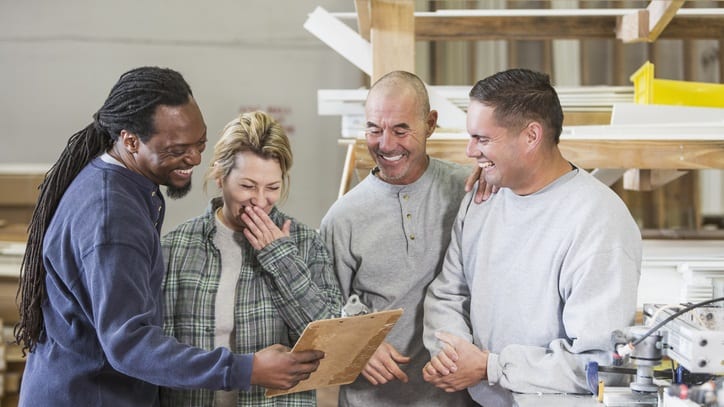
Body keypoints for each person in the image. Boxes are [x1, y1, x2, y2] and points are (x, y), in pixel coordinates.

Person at [14, 67, 325, 406]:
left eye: (200, 143)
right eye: (178, 148)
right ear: (131, 140)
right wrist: (247, 369)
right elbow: (130, 344)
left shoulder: (125, 188)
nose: (194, 158)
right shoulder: (113, 217)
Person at [422, 68, 642, 406]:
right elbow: (448, 294)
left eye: (482, 139)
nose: (470, 152)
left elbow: (598, 364)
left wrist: (492, 367)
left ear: (531, 136)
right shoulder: (482, 201)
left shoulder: (598, 221)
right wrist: (455, 357)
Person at [160, 110, 343, 406]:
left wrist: (281, 258)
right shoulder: (175, 249)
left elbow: (332, 341)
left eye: (272, 188)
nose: (260, 200)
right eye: (247, 186)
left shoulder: (306, 243)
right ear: (220, 177)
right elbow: (157, 358)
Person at [319, 70, 476, 406]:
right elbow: (321, 314)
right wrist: (356, 344)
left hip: (455, 399)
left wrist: (495, 173)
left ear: (430, 124)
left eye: (401, 130)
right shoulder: (342, 218)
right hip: (370, 400)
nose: (386, 144)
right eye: (374, 130)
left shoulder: (467, 191)